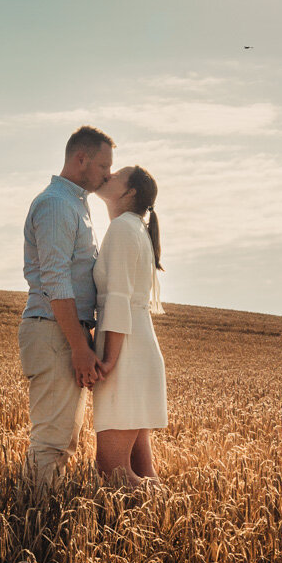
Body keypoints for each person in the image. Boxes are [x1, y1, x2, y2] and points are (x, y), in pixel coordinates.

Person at [18, 125, 115, 487]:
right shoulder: (58, 205)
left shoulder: (74, 204)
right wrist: (78, 346)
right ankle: (34, 529)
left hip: (61, 330)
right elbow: (56, 281)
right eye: (104, 166)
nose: (108, 174)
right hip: (53, 330)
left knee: (63, 442)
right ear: (81, 158)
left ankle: (38, 521)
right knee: (52, 444)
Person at [90, 165, 167, 487]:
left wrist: (109, 359)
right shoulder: (135, 228)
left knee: (114, 472)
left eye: (116, 175)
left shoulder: (122, 228)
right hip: (140, 349)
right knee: (141, 470)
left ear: (130, 192)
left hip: (126, 354)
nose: (107, 176)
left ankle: (180, 518)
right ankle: (173, 520)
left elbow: (118, 299)